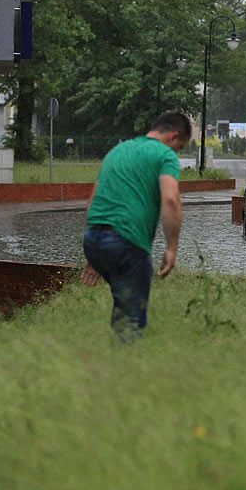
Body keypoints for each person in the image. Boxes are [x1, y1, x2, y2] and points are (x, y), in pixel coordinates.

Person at [81, 111, 191, 342]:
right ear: (173, 137)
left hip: (94, 239)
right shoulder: (164, 155)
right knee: (132, 320)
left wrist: (95, 254)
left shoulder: (118, 150)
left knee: (123, 303)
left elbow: (93, 201)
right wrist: (172, 248)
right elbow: (171, 199)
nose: (176, 153)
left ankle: (116, 357)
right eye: (179, 147)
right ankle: (123, 368)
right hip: (127, 243)